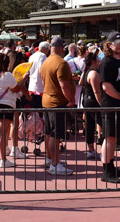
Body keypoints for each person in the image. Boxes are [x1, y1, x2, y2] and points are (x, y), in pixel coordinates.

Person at [0, 53, 31, 169]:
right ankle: (4, 160)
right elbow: (16, 89)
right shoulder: (7, 75)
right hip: (5, 105)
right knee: (2, 133)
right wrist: (24, 78)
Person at [40, 36, 76, 176]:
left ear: (51, 48)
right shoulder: (61, 63)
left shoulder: (46, 61)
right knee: (55, 134)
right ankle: (54, 165)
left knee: (49, 133)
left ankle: (51, 160)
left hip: (47, 101)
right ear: (62, 48)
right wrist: (71, 100)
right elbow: (64, 85)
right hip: (57, 103)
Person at [98, 31, 120, 183]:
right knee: (109, 138)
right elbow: (106, 87)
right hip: (111, 106)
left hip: (119, 106)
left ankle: (111, 166)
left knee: (113, 137)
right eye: (117, 43)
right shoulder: (106, 62)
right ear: (109, 45)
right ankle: (106, 170)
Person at [80, 47, 103, 159]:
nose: (99, 61)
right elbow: (97, 91)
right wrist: (102, 104)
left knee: (89, 126)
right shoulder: (93, 73)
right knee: (102, 124)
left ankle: (91, 150)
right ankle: (103, 151)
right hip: (93, 102)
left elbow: (80, 83)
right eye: (98, 60)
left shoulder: (86, 71)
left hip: (87, 100)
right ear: (93, 61)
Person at [27, 42, 50, 108]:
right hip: (40, 87)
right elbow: (41, 70)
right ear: (47, 49)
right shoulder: (43, 56)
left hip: (31, 86)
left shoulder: (32, 56)